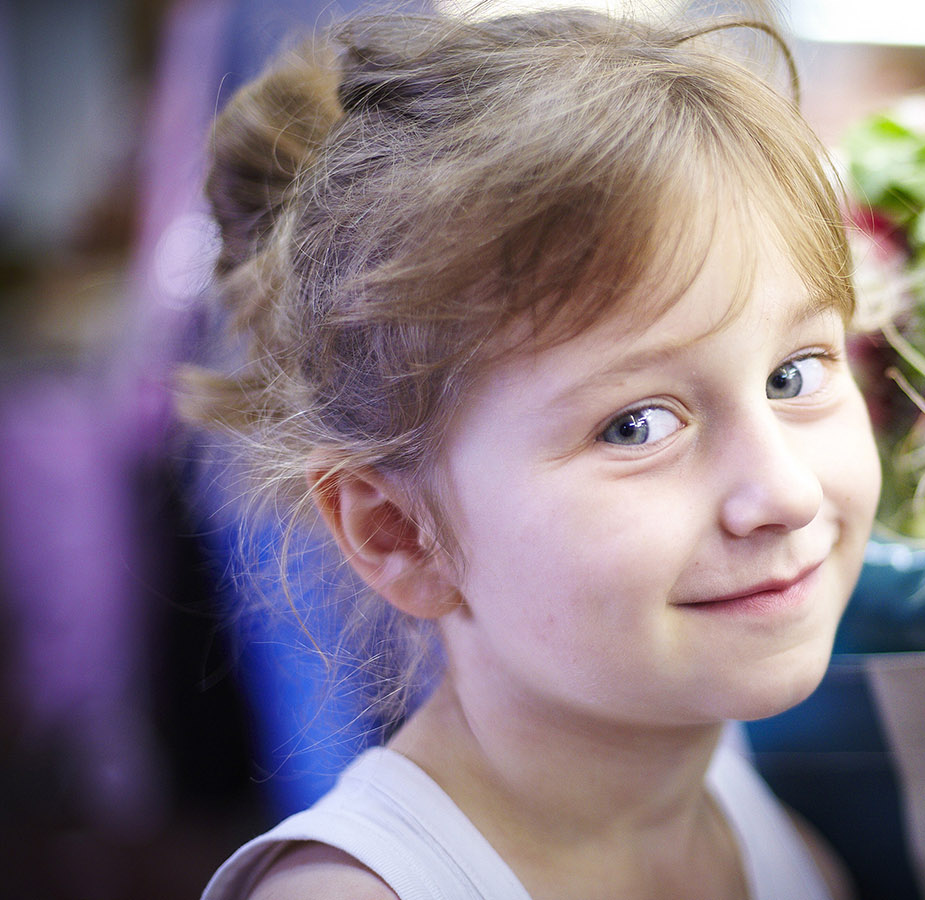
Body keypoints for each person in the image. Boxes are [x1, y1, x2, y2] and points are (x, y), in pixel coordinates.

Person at [182, 5, 881, 899]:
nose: (783, 492)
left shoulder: (778, 844)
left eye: (794, 374)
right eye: (637, 425)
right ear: (401, 531)